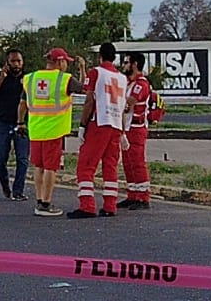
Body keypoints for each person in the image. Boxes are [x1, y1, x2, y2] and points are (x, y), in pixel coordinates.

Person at [18, 48, 86, 216]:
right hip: (54, 131)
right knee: (50, 168)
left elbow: (22, 103)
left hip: (35, 130)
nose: (66, 66)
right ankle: (46, 204)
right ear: (59, 62)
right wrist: (83, 69)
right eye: (65, 62)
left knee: (38, 166)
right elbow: (84, 88)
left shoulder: (31, 78)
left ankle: (39, 200)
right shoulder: (64, 79)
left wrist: (20, 123)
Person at [69, 42, 128, 219]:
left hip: (99, 122)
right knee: (110, 166)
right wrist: (123, 132)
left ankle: (87, 206)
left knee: (86, 165)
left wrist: (82, 125)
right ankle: (110, 206)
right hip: (116, 125)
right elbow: (123, 106)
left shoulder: (96, 72)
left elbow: (89, 100)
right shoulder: (123, 78)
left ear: (100, 56)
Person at [0, 49, 28, 200]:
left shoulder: (28, 78)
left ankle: (18, 191)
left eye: (19, 61)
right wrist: (2, 77)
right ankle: (5, 187)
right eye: (13, 61)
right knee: (1, 158)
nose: (16, 64)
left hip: (22, 124)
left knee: (22, 159)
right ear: (7, 63)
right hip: (3, 123)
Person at [119, 52, 154, 210]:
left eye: (126, 62)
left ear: (134, 64)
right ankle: (132, 194)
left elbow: (129, 103)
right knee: (128, 162)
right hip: (127, 127)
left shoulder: (141, 84)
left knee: (137, 162)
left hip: (137, 128)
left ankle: (143, 197)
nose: (123, 66)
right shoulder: (128, 82)